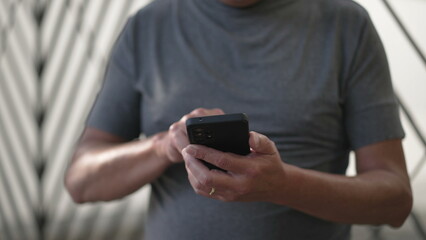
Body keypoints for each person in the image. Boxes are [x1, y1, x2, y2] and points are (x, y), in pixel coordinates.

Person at [65, 0, 413, 239]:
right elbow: (81, 180)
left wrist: (282, 185)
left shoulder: (346, 25)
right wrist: (164, 146)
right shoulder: (147, 27)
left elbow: (395, 200)